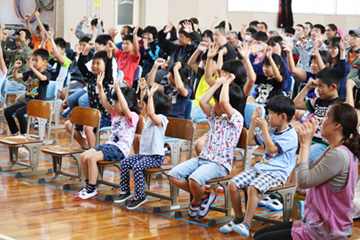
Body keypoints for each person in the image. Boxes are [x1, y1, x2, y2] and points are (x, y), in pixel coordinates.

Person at [254, 103, 360, 240]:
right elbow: (304, 180)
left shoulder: (339, 154)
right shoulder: (333, 149)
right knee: (259, 235)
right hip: (315, 223)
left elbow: (303, 182)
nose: (321, 121)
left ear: (337, 125)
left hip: (326, 230)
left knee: (260, 239)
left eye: (327, 117)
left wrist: (305, 144)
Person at [169, 73, 244, 219]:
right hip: (203, 158)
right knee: (174, 174)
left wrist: (227, 83)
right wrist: (217, 83)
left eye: (216, 102)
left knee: (195, 180)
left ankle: (196, 201)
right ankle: (204, 196)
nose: (215, 105)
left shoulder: (236, 119)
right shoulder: (215, 115)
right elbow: (203, 101)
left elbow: (223, 102)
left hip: (219, 164)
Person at [220, 95, 297, 237]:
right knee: (232, 184)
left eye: (271, 113)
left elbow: (273, 149)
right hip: (261, 168)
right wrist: (253, 123)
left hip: (277, 173)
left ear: (283, 116)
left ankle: (247, 224)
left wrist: (265, 130)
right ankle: (238, 218)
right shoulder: (272, 131)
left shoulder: (290, 135)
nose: (268, 117)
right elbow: (250, 142)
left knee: (252, 188)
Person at [75, 73, 140, 200]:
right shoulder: (116, 114)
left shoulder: (132, 116)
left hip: (120, 149)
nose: (114, 104)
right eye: (115, 101)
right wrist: (100, 87)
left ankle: (92, 189)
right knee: (84, 156)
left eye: (117, 101)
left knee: (92, 159)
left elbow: (125, 107)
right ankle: (88, 185)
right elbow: (104, 102)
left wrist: (118, 90)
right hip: (110, 145)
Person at [115, 79, 172, 209]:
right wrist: (142, 90)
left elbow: (151, 112)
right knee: (124, 163)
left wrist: (150, 96)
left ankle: (140, 196)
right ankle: (125, 191)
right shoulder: (148, 119)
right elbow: (147, 109)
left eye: (147, 103)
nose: (143, 106)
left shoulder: (161, 119)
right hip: (144, 155)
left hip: (155, 157)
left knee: (137, 167)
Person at [293, 67, 350, 163]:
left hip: (323, 144)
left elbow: (350, 110)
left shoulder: (340, 104)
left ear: (333, 87)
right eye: (317, 86)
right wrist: (307, 87)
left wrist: (349, 88)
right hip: (310, 139)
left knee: (301, 160)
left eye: (320, 86)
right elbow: (295, 104)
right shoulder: (318, 101)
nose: (317, 90)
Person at [65, 42, 113, 149]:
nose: (94, 66)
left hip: (105, 116)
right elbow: (80, 64)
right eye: (93, 63)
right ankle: (85, 146)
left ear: (105, 65)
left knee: (87, 127)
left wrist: (109, 52)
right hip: (92, 116)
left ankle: (93, 151)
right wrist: (86, 49)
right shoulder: (90, 77)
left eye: (98, 63)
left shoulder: (107, 79)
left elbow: (109, 68)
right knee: (68, 124)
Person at [4, 49, 50, 136]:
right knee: (7, 111)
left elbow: (42, 78)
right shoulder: (30, 73)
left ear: (44, 62)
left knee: (19, 113)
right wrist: (16, 68)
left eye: (36, 60)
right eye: (33, 60)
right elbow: (16, 76)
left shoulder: (46, 74)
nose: (34, 62)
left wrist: (32, 68)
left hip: (38, 104)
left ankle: (25, 134)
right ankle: (15, 133)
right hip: (28, 102)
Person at [1, 29, 32, 99]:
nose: (18, 43)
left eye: (20, 40)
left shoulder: (31, 53)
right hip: (9, 81)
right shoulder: (15, 52)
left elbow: (27, 57)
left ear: (28, 41)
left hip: (20, 83)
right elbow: (1, 54)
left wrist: (23, 42)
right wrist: (3, 41)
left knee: (1, 86)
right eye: (16, 40)